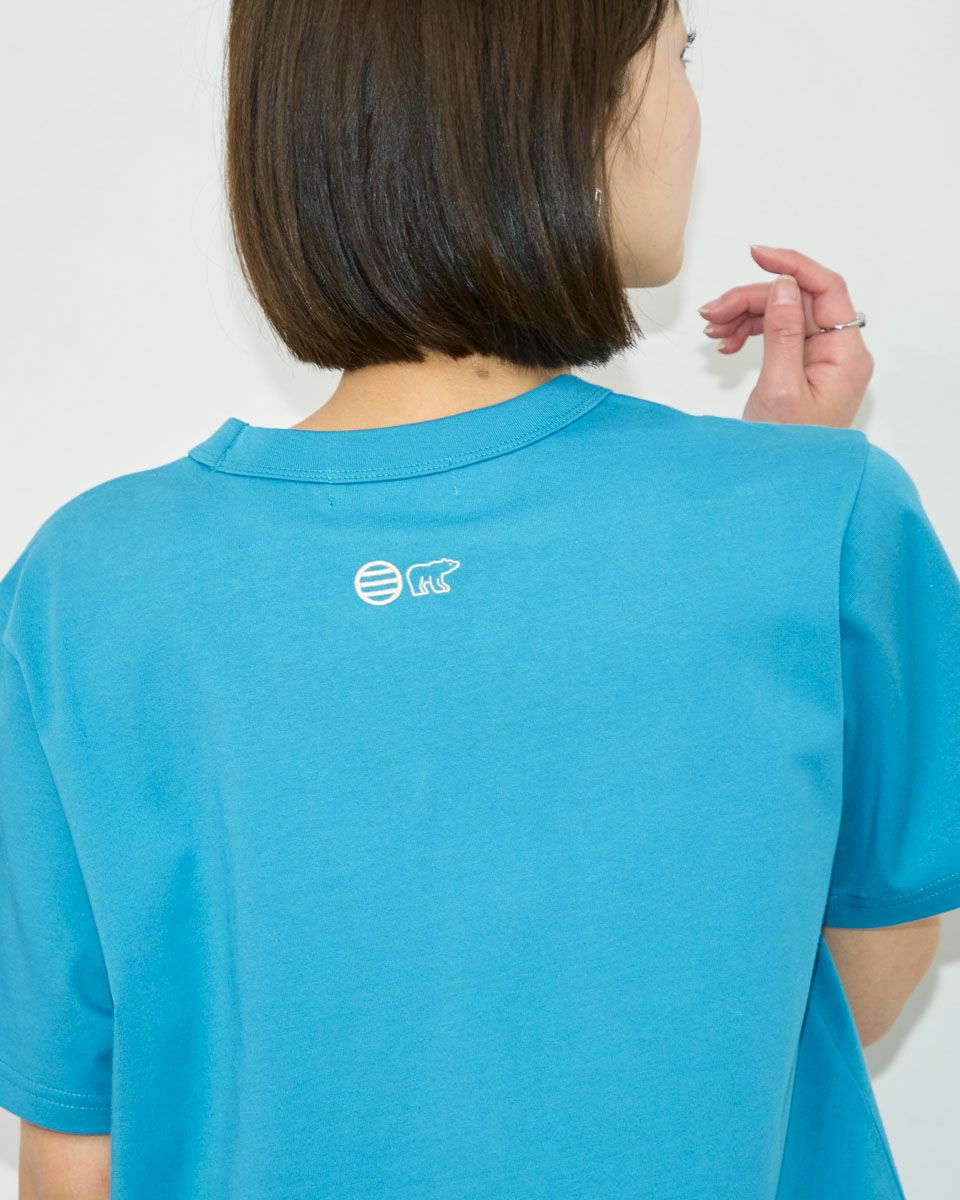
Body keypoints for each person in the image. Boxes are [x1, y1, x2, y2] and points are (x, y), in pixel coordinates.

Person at [2, 1, 958, 1197]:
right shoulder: (830, 520)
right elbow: (836, 985)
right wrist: (779, 508)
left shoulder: (88, 585)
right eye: (679, 55)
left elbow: (76, 1140)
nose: (692, 110)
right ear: (563, 99)